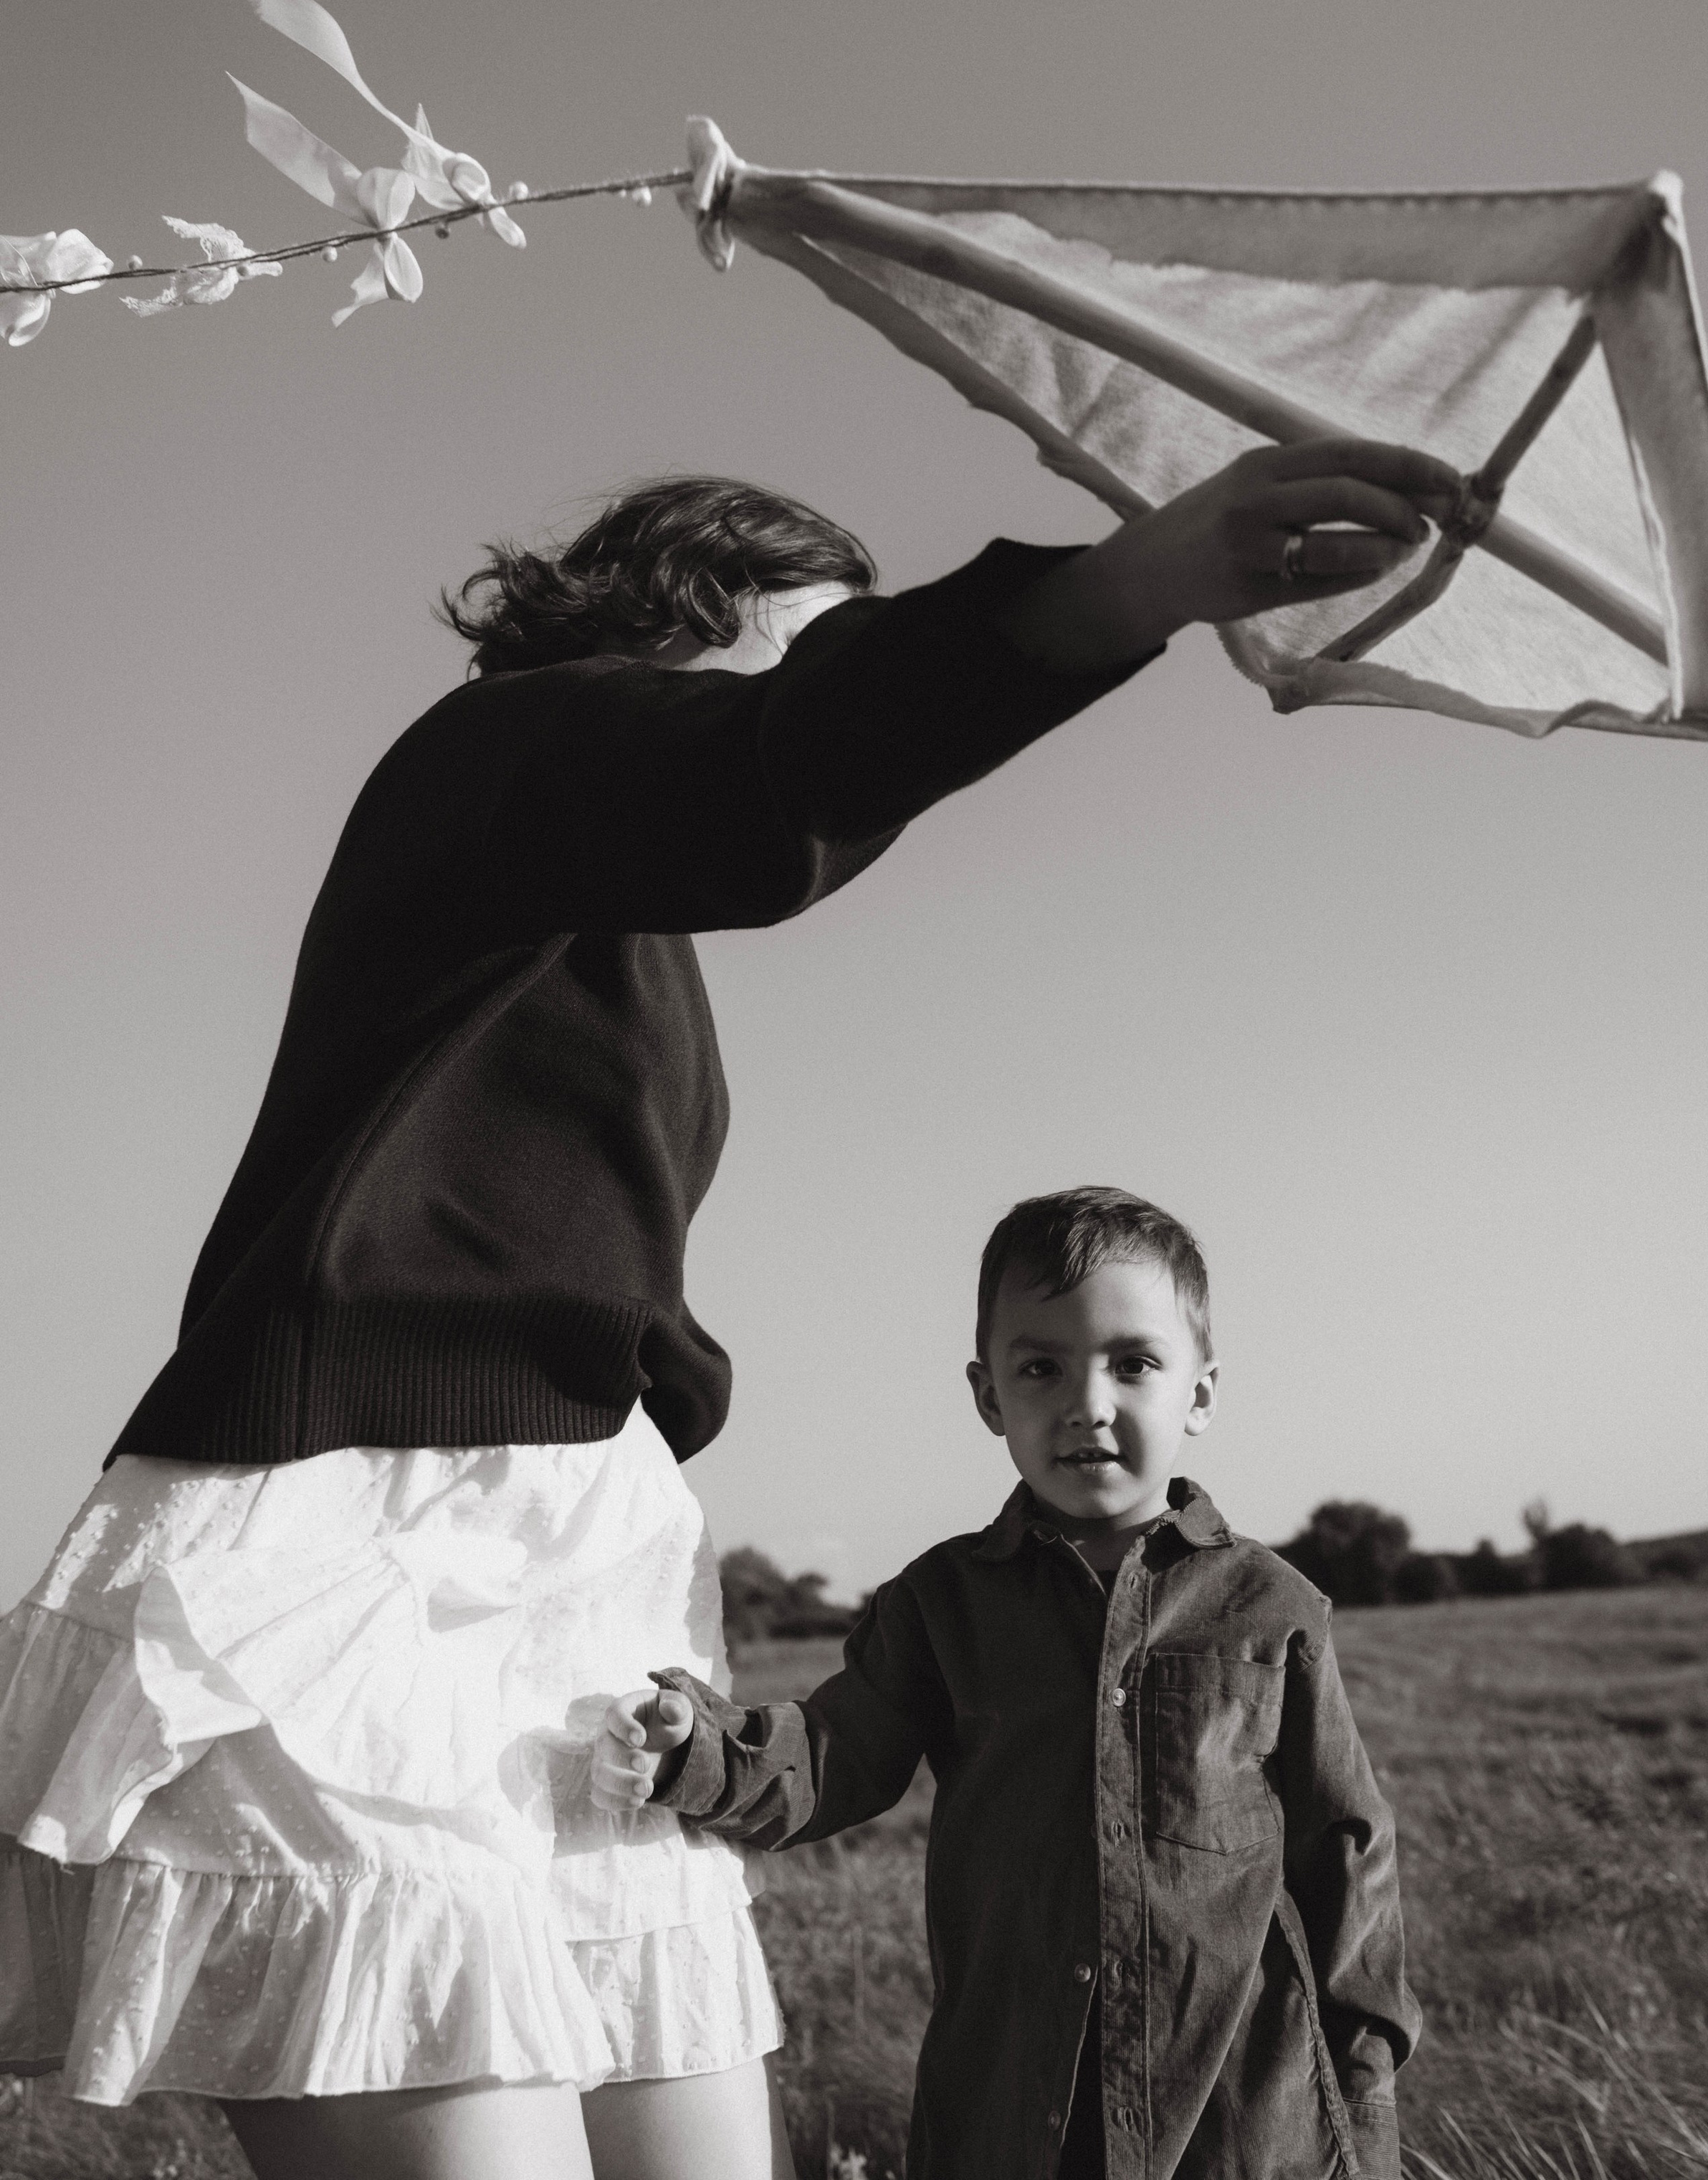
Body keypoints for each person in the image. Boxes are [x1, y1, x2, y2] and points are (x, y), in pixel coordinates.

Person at [0, 439, 1453, 2180]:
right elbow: (779, 780)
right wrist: (1131, 584)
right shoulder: (506, 749)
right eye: (823, 644)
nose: (844, 691)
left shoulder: (610, 917)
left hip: (567, 1583)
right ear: (688, 617)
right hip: (363, 1564)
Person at [602, 1185, 1418, 2180]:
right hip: (1014, 2104)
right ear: (989, 1394)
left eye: (1134, 1365)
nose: (1088, 1403)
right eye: (1042, 1367)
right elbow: (833, 1755)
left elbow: (1346, 1852)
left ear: (1199, 1393)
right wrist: (700, 1749)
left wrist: (1366, 2081)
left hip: (1240, 2115)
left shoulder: (1273, 1605)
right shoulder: (941, 1603)